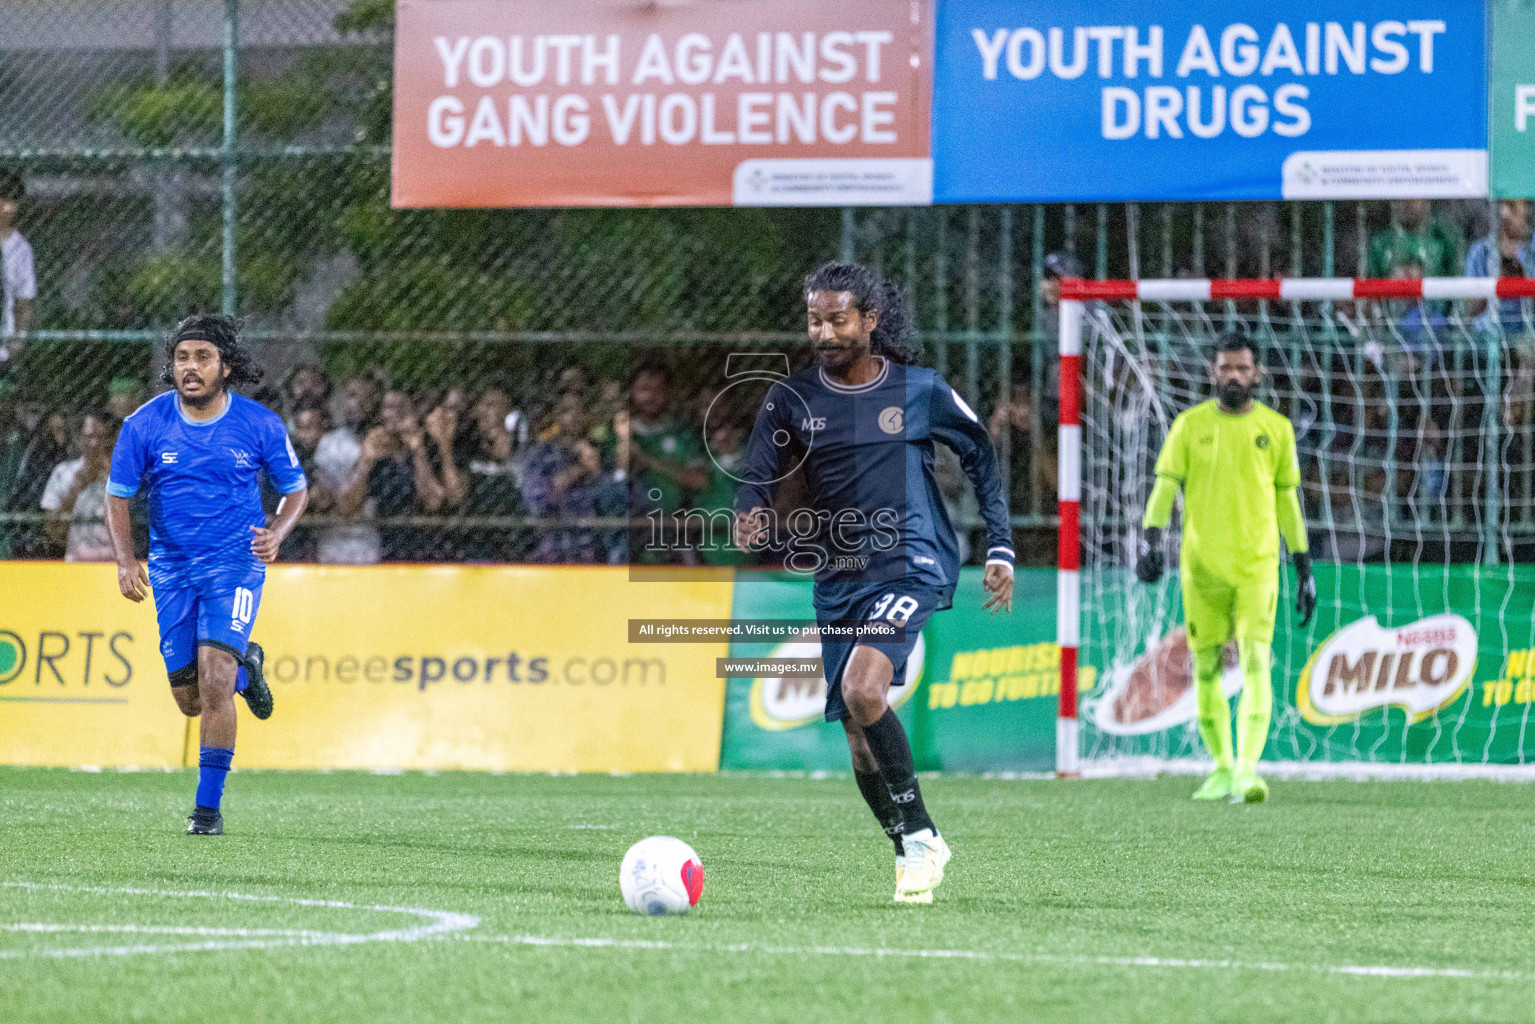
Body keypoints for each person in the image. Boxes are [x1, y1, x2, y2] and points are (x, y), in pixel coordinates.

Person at [732, 261, 1015, 904]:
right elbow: (757, 474)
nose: (824, 333)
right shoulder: (791, 398)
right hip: (836, 577)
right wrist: (749, 512)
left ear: (869, 320)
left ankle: (920, 836)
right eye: (813, 320)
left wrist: (999, 544)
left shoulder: (920, 390)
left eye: (837, 319)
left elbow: (981, 457)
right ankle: (910, 847)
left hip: (910, 562)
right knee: (860, 743)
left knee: (865, 690)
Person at [104, 314, 309, 835]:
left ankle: (207, 811)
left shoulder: (260, 424)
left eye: (202, 357)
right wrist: (127, 560)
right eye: (181, 358)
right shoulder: (143, 425)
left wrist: (278, 532)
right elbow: (118, 497)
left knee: (214, 680)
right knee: (190, 701)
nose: (190, 368)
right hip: (172, 568)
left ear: (226, 367)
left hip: (236, 565)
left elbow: (297, 490)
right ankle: (249, 668)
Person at [1135, 330, 1316, 805]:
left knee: (1256, 661)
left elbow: (1288, 502)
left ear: (1256, 374)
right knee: (1207, 667)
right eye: (1225, 368)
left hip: (1257, 568)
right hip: (1202, 569)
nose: (1234, 375)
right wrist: (1150, 541)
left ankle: (1247, 771)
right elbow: (1164, 487)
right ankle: (1219, 767)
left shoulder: (1276, 429)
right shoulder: (1189, 426)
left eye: (1242, 368)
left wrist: (1304, 567)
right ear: (1212, 372)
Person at [334, 389, 456, 561]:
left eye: (402, 409)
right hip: (391, 551)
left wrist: (418, 449)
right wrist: (366, 461)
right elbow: (346, 507)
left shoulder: (430, 448)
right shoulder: (377, 454)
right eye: (388, 408)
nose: (394, 415)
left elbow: (433, 502)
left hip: (434, 550)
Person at [313, 372, 384, 564]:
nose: (359, 403)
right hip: (334, 543)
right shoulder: (331, 443)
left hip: (374, 545)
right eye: (353, 395)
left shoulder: (388, 443)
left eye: (367, 397)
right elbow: (337, 503)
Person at [40, 408, 118, 562]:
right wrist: (78, 487)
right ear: (78, 438)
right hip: (78, 560)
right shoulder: (63, 473)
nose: (95, 443)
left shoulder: (127, 473)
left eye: (101, 437)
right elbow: (53, 531)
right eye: (89, 437)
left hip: (117, 562)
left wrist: (111, 475)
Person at [1367, 199, 1457, 279]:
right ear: (1393, 203)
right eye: (1402, 199)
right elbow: (1371, 289)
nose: (1408, 204)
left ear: (1426, 201)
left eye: (1414, 199)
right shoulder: (1380, 243)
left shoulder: (1442, 240)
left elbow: (1455, 283)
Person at [0, 169, 35, 369]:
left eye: (14, 201)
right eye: (4, 200)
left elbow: (24, 299)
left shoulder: (21, 247)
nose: (9, 208)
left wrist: (19, 340)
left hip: (3, 349)